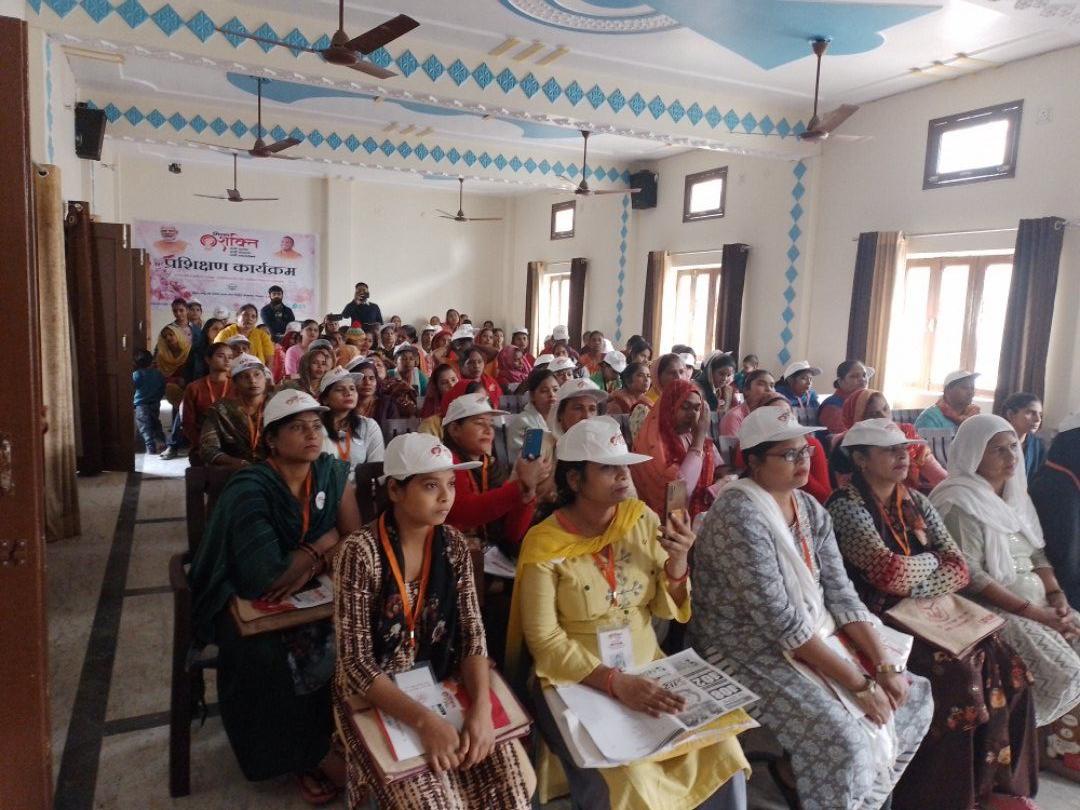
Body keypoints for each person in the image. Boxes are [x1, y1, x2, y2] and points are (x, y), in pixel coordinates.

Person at [689, 407, 933, 810]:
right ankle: (824, 790)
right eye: (788, 454)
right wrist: (861, 685)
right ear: (753, 461)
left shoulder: (809, 508)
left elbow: (840, 593)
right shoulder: (738, 515)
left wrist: (885, 666)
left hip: (814, 629)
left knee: (914, 695)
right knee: (844, 737)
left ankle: (861, 800)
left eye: (805, 450)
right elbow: (780, 623)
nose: (803, 460)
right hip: (745, 647)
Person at [508, 416, 752, 810]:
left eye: (624, 466)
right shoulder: (545, 543)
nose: (623, 475)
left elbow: (664, 607)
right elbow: (545, 641)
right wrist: (615, 683)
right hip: (577, 679)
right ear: (575, 480)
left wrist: (678, 562)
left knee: (723, 754)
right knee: (630, 779)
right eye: (608, 468)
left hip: (647, 665)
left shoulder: (640, 519)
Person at [827, 419, 1038, 810]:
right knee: (960, 682)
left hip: (927, 611)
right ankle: (944, 799)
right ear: (860, 459)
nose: (902, 457)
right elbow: (886, 574)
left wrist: (917, 575)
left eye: (904, 449)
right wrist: (931, 563)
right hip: (877, 619)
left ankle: (998, 787)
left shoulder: (914, 500)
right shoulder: (846, 506)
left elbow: (959, 567)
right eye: (889, 450)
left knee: (1009, 666)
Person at [332, 433, 535, 809]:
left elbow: (473, 637)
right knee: (432, 802)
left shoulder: (453, 545)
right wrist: (425, 722)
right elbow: (357, 665)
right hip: (377, 693)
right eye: (430, 486)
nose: (446, 497)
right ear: (395, 490)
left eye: (451, 484)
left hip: (441, 680)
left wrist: (481, 711)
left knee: (510, 784)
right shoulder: (360, 553)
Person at [188, 390, 359, 799]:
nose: (312, 435)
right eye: (297, 427)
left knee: (354, 632)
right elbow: (266, 576)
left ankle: (339, 733)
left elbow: (354, 541)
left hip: (312, 592)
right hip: (240, 596)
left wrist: (313, 556)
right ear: (272, 440)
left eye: (316, 426)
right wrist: (324, 544)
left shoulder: (332, 473)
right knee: (266, 654)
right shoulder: (250, 488)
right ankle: (308, 754)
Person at [930, 415, 1080, 732]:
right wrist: (1035, 613)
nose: (1011, 456)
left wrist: (1056, 596)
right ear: (973, 454)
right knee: (1068, 673)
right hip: (990, 607)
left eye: (1013, 446)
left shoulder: (1015, 495)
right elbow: (971, 575)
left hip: (1036, 600)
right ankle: (1027, 738)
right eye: (998, 449)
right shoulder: (958, 501)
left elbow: (1036, 552)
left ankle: (1061, 741)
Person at [632, 379, 720, 521]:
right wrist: (698, 442)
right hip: (662, 524)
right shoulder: (651, 442)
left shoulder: (690, 434)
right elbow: (678, 493)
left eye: (697, 409)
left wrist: (722, 482)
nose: (692, 414)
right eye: (685, 407)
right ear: (669, 407)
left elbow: (722, 469)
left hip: (698, 518)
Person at [831, 389, 947, 493]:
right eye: (874, 414)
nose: (883, 416)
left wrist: (951, 488)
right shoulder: (845, 448)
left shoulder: (906, 433)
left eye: (885, 409)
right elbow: (847, 487)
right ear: (858, 420)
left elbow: (937, 475)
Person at [199, 354, 271, 468]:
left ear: (265, 379)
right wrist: (236, 463)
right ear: (234, 383)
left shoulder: (279, 405)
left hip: (277, 469)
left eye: (257, 374)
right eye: (244, 376)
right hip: (236, 470)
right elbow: (207, 449)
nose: (252, 380)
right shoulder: (220, 410)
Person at [317, 367, 384, 467]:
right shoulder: (316, 428)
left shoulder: (368, 426)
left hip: (361, 477)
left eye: (352, 388)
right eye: (340, 389)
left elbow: (376, 467)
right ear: (325, 399)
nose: (348, 393)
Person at [179, 341, 233, 463]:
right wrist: (203, 444)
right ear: (208, 360)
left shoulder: (237, 386)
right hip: (202, 444)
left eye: (230, 357)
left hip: (234, 446)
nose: (227, 360)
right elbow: (187, 423)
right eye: (221, 356)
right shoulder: (194, 387)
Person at [506, 369, 559, 463]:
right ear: (532, 395)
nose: (552, 394)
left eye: (555, 390)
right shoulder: (522, 423)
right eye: (544, 391)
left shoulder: (562, 419)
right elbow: (526, 462)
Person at [816, 360, 872, 433]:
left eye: (864, 375)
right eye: (854, 376)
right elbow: (847, 437)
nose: (862, 380)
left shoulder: (864, 403)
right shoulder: (832, 407)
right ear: (840, 381)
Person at [914, 370, 980, 430]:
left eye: (972, 388)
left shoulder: (973, 416)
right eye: (964, 387)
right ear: (947, 390)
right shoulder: (930, 418)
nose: (970, 392)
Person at [718, 369, 775, 437]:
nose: (769, 390)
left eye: (772, 386)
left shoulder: (769, 416)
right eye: (761, 384)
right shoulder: (734, 417)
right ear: (746, 390)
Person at [1001, 392, 1046, 478]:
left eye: (1040, 415)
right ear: (1011, 414)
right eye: (1031, 413)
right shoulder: (994, 443)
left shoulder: (1037, 445)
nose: (1038, 419)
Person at [133, 348, 167, 455]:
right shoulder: (158, 374)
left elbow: (132, 387)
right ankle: (162, 441)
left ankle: (150, 446)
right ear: (151, 360)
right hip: (155, 403)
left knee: (144, 426)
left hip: (141, 405)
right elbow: (162, 387)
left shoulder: (136, 375)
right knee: (155, 422)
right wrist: (158, 397)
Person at [695, 352, 741, 418]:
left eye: (728, 375)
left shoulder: (728, 391)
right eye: (721, 374)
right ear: (710, 372)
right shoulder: (697, 389)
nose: (725, 379)